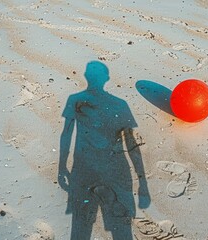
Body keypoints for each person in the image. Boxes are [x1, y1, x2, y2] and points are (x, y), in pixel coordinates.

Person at [58, 61, 150, 240]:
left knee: (80, 228)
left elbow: (66, 135)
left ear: (86, 76)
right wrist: (142, 182)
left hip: (84, 170)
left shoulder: (76, 100)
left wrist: (62, 167)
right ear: (106, 79)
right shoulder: (120, 104)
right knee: (122, 230)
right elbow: (131, 145)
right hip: (116, 172)